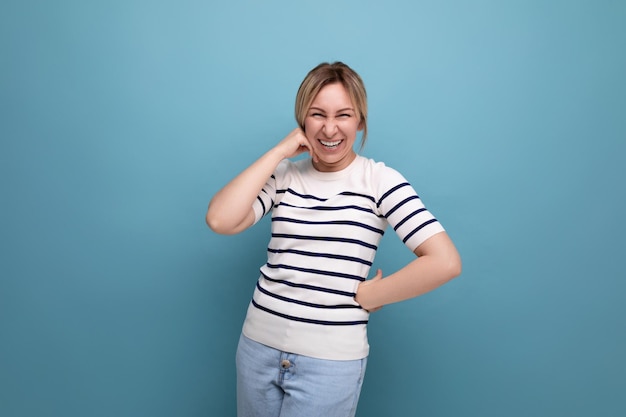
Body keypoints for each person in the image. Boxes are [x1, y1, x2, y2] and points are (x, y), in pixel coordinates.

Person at [206, 61, 462, 417]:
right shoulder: (284, 176)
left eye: (343, 115)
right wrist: (278, 152)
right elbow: (220, 219)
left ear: (360, 121)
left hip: (330, 364)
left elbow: (445, 261)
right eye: (316, 114)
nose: (329, 128)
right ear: (302, 120)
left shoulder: (379, 181)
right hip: (257, 348)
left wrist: (373, 294)